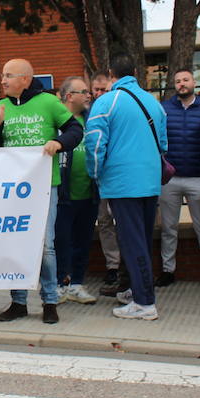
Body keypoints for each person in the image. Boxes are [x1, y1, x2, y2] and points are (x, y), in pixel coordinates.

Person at [0, 58, 82, 325]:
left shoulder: (49, 102)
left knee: (45, 246)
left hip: (44, 185)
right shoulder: (0, 106)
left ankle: (50, 301)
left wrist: (59, 142)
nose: (3, 80)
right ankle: (18, 302)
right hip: (12, 189)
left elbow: (75, 130)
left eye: (8, 75)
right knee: (15, 243)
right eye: (3, 75)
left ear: (25, 80)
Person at [85, 54, 163, 321]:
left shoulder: (106, 102)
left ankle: (144, 302)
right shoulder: (153, 102)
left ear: (110, 74)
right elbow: (163, 143)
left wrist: (94, 175)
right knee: (142, 239)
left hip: (122, 183)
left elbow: (95, 145)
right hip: (150, 180)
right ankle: (136, 291)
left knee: (132, 242)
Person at [156, 67, 200, 289]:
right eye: (178, 80)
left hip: (197, 178)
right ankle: (167, 270)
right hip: (170, 178)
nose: (182, 83)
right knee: (169, 228)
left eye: (186, 79)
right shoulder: (163, 109)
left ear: (194, 83)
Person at [53, 77, 99, 305]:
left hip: (88, 193)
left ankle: (77, 284)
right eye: (83, 92)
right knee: (61, 241)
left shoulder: (92, 120)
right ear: (69, 96)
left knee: (83, 240)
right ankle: (60, 284)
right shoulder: (57, 121)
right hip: (63, 194)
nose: (88, 95)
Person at [88, 70, 122, 290]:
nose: (100, 93)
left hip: (118, 176)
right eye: (96, 90)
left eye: (104, 90)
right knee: (105, 222)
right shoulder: (87, 112)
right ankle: (113, 266)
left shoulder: (117, 109)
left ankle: (126, 267)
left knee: (123, 221)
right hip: (98, 176)